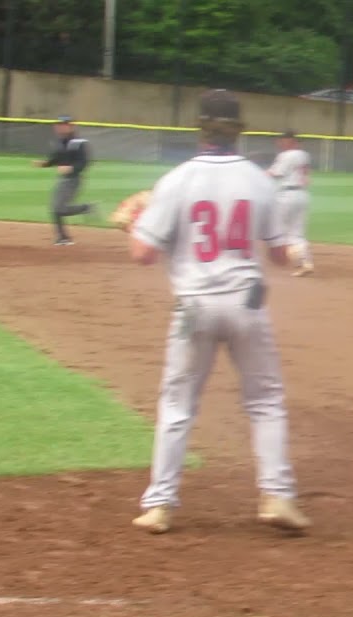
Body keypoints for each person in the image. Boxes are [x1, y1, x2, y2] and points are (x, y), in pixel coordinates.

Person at [126, 89, 311, 535]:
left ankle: (159, 506)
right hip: (247, 305)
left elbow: (143, 254)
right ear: (237, 132)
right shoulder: (257, 180)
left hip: (195, 307)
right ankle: (278, 495)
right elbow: (281, 256)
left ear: (200, 129)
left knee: (177, 405)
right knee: (265, 402)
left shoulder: (177, 180)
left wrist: (132, 219)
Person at [33, 116, 95, 246]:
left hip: (73, 180)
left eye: (63, 124)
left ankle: (86, 208)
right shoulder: (60, 142)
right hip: (63, 179)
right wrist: (45, 164)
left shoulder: (79, 142)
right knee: (55, 208)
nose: (60, 127)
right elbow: (56, 159)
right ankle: (63, 237)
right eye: (59, 125)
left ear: (71, 126)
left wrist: (71, 168)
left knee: (59, 208)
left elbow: (84, 162)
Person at [267, 130, 315, 276]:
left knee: (281, 231)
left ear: (290, 141)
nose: (280, 143)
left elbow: (276, 173)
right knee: (297, 232)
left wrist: (259, 173)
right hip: (302, 195)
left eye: (283, 141)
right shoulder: (303, 154)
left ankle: (294, 259)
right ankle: (305, 262)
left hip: (286, 196)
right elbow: (306, 174)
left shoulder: (285, 155)